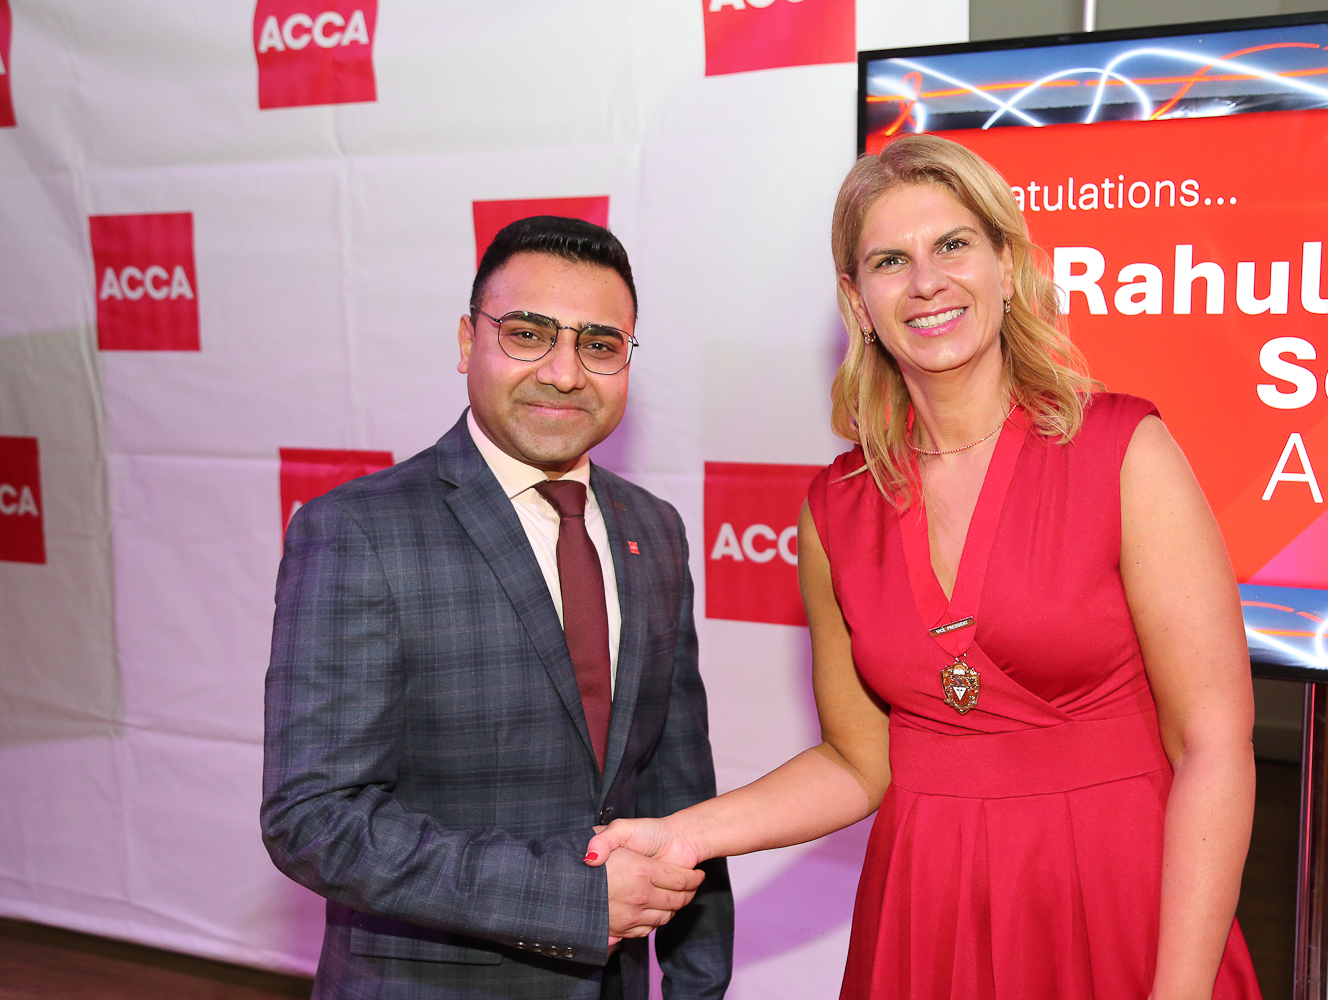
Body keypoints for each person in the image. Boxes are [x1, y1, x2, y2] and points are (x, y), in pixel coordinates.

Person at [584, 135, 1261, 999]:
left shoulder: (1122, 450)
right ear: (858, 301)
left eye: (953, 245)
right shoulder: (835, 510)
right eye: (890, 261)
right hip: (928, 915)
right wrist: (687, 835)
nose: (926, 282)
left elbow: (1213, 745)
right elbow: (858, 763)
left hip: (1121, 900)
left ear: (1006, 266)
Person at [262, 215, 733, 1000]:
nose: (564, 373)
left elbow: (680, 792)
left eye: (599, 344)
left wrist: (697, 985)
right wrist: (571, 899)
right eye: (528, 334)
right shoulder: (358, 531)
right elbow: (313, 819)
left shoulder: (655, 529)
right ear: (466, 341)